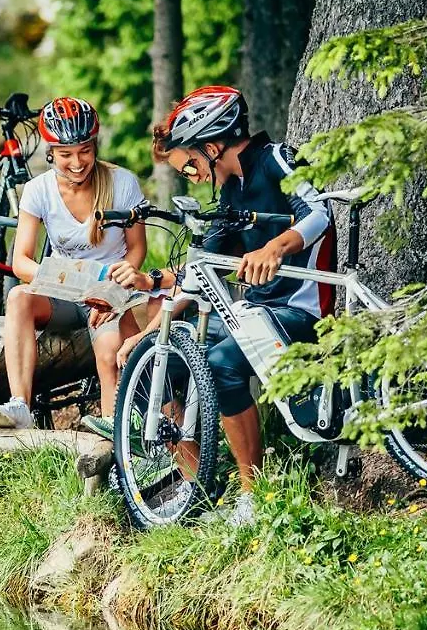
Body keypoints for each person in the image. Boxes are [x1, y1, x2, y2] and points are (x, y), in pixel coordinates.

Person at [114, 85, 335, 523]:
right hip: (255, 317)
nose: (192, 176)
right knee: (170, 364)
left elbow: (319, 212)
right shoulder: (231, 193)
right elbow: (201, 270)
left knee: (220, 364)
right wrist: (145, 328)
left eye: (190, 164)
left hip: (300, 310)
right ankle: (199, 489)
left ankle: (255, 494)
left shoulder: (277, 160)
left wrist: (275, 247)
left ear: (213, 145)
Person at [0, 97, 158, 431]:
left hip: (109, 292)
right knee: (18, 297)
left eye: (84, 151)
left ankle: (116, 438)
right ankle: (20, 406)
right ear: (50, 153)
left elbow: (136, 250)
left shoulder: (123, 184)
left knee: (109, 351)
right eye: (65, 155)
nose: (77, 162)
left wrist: (111, 292)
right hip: (64, 292)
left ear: (94, 146)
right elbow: (21, 261)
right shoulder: (38, 190)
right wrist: (62, 282)